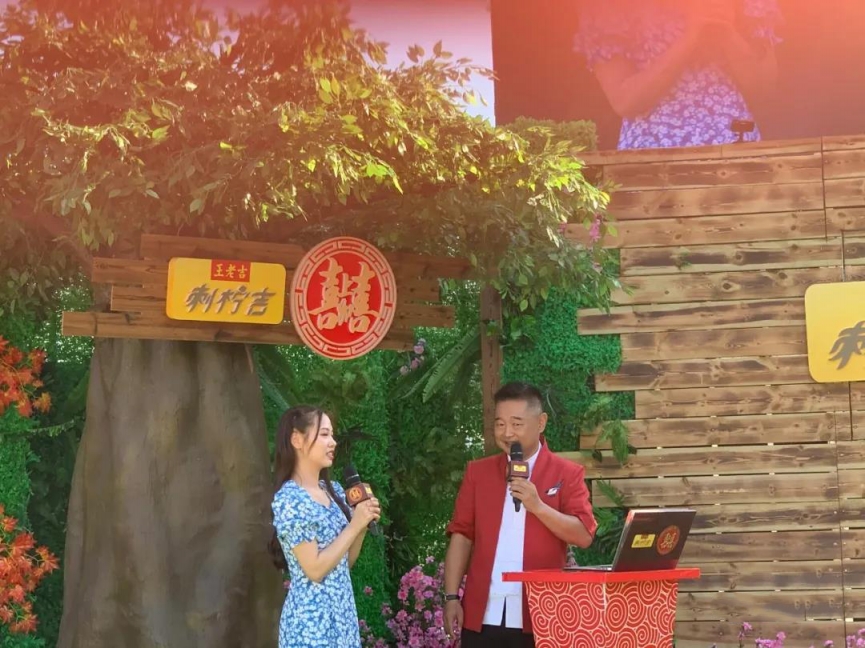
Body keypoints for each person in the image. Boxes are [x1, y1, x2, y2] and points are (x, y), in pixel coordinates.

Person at [443, 382, 597, 648]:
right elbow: (462, 535)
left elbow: (584, 535)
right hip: (482, 616)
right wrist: (451, 597)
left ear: (541, 422)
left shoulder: (567, 473)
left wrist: (538, 506)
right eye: (500, 424)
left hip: (540, 616)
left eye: (516, 424)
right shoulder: (478, 473)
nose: (507, 433)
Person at [575, 0, 782, 149]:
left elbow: (763, 93)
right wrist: (690, 37)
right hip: (653, 163)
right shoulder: (610, 8)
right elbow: (625, 102)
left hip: (736, 157)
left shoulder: (750, 4)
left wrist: (726, 32)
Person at [268, 406, 381, 648]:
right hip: (310, 626)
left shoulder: (334, 491)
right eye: (324, 434)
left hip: (342, 619)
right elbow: (315, 569)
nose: (333, 442)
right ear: (297, 440)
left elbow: (343, 563)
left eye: (332, 435)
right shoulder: (290, 499)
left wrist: (361, 524)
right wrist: (354, 526)